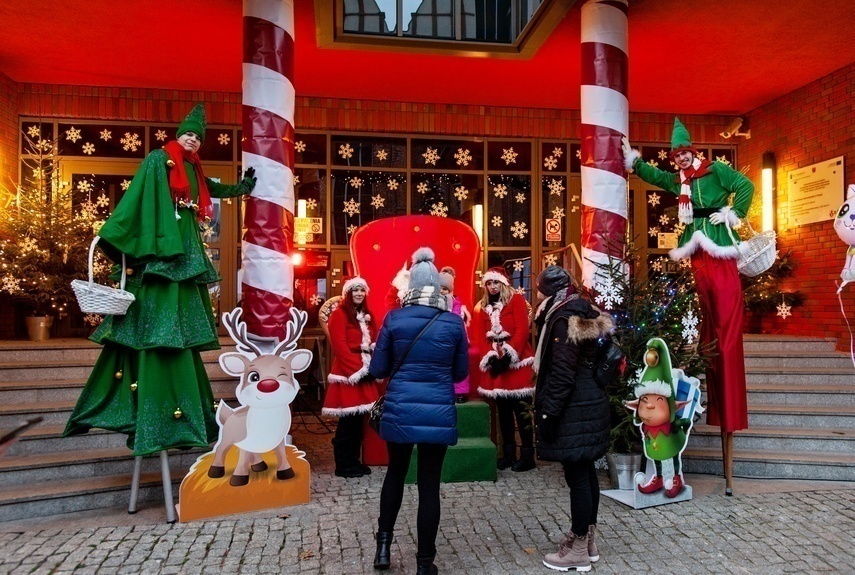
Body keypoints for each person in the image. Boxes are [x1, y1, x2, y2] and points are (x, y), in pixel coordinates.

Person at [64, 104, 257, 456]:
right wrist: (121, 236)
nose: (193, 141)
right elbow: (139, 196)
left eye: (197, 138)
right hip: (163, 243)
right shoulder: (159, 160)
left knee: (179, 294)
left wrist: (241, 188)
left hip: (184, 243)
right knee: (161, 291)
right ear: (177, 135)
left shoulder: (195, 171)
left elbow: (213, 188)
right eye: (188, 135)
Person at [622, 117, 755, 495]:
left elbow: (745, 186)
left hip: (717, 244)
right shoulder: (677, 179)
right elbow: (655, 177)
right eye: (674, 155)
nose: (679, 160)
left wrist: (733, 213)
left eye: (683, 153)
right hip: (696, 250)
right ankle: (711, 352)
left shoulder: (715, 171)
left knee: (726, 312)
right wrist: (635, 161)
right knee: (708, 312)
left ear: (692, 151)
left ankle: (727, 380)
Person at [368, 248, 468, 575]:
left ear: (410, 286)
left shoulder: (395, 319)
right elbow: (459, 374)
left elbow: (379, 368)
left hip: (399, 409)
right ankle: (425, 563)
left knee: (395, 474)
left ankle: (383, 546)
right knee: (428, 485)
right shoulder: (453, 323)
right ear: (438, 289)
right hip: (437, 411)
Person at [532, 266, 612, 573]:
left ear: (547, 291)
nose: (536, 295)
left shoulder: (562, 319)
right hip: (590, 402)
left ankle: (578, 548)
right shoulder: (582, 309)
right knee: (585, 472)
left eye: (538, 289)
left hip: (574, 408)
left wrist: (549, 413)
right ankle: (587, 541)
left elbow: (562, 375)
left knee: (577, 476)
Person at [473, 266, 536, 472]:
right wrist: (491, 358)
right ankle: (508, 454)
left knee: (522, 411)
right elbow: (479, 336)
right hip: (497, 365)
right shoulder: (482, 306)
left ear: (503, 283)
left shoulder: (516, 300)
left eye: (495, 283)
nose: (492, 287)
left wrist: (509, 355)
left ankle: (527, 455)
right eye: (489, 283)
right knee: (504, 412)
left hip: (516, 363)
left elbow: (522, 330)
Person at [321, 276, 381, 478]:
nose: (359, 294)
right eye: (355, 290)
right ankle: (343, 465)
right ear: (348, 293)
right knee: (347, 422)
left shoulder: (366, 315)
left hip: (364, 371)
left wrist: (372, 368)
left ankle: (353, 461)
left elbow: (373, 342)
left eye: (362, 290)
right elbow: (340, 347)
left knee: (358, 422)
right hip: (349, 374)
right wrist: (359, 372)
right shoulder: (339, 315)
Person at [438, 266, 471, 403]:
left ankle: (461, 392)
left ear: (450, 290)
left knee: (459, 363)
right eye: (440, 289)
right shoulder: (434, 304)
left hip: (455, 339)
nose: (442, 292)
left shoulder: (456, 304)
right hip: (439, 339)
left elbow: (457, 322)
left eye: (445, 289)